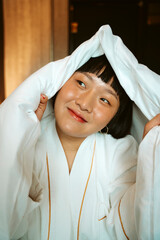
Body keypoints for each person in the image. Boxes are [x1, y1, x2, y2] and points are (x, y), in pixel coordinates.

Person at [0, 25, 160, 240]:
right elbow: (8, 222)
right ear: (60, 81)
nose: (84, 104)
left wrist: (154, 151)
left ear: (114, 116)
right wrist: (21, 134)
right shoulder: (28, 140)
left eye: (105, 99)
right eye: (81, 83)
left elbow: (134, 224)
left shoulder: (121, 152)